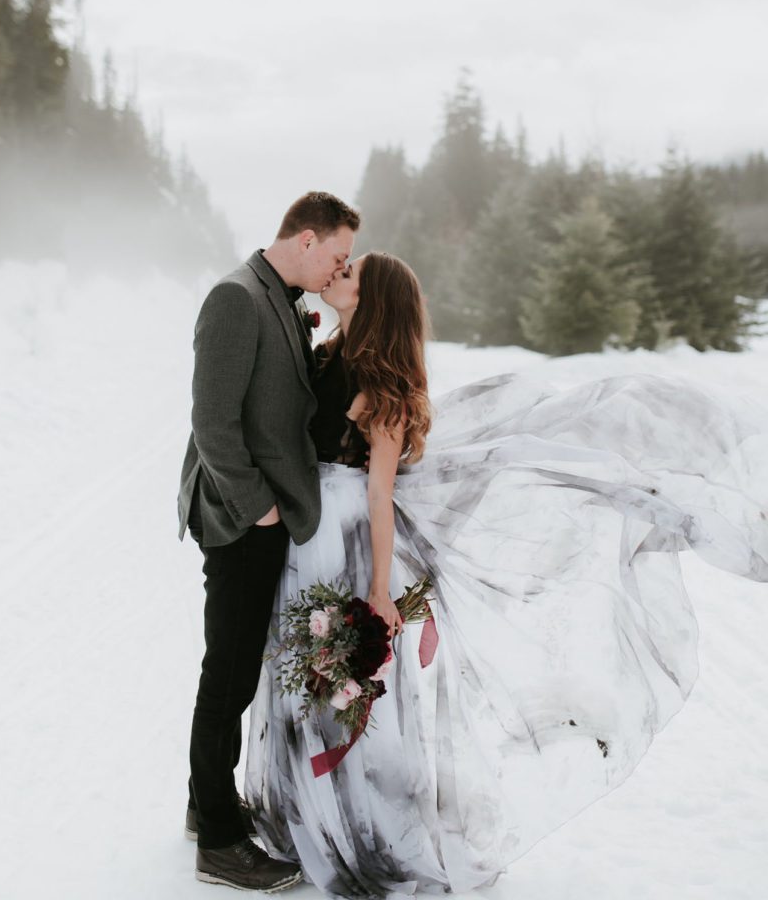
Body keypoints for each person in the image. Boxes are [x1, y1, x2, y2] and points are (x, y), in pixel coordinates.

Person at [244, 251, 768, 899]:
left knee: (338, 681)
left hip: (344, 539)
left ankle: (356, 833)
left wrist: (379, 589)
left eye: (349, 273)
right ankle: (302, 816)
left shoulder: (382, 388)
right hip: (308, 534)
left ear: (373, 300)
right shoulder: (327, 353)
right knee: (299, 674)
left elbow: (379, 495)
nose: (337, 273)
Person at [177, 190, 359, 892]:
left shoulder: (279, 297)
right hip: (238, 516)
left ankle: (207, 804)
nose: (338, 268)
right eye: (337, 255)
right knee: (228, 672)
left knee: (238, 664)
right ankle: (220, 844)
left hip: (260, 512)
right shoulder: (236, 298)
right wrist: (259, 511)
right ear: (306, 239)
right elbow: (213, 424)